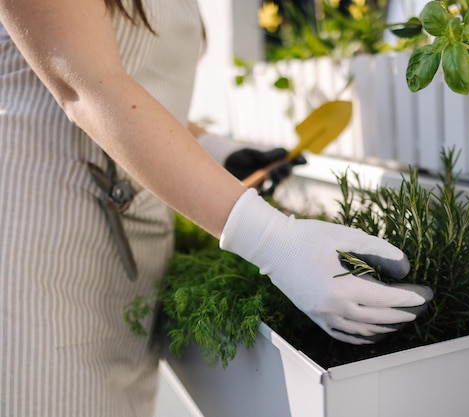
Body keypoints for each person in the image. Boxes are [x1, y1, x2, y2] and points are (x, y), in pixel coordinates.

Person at [0, 1, 426, 416]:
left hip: (126, 258)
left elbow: (147, 89)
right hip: (42, 254)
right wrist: (272, 240)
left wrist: (216, 150)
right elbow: (85, 85)